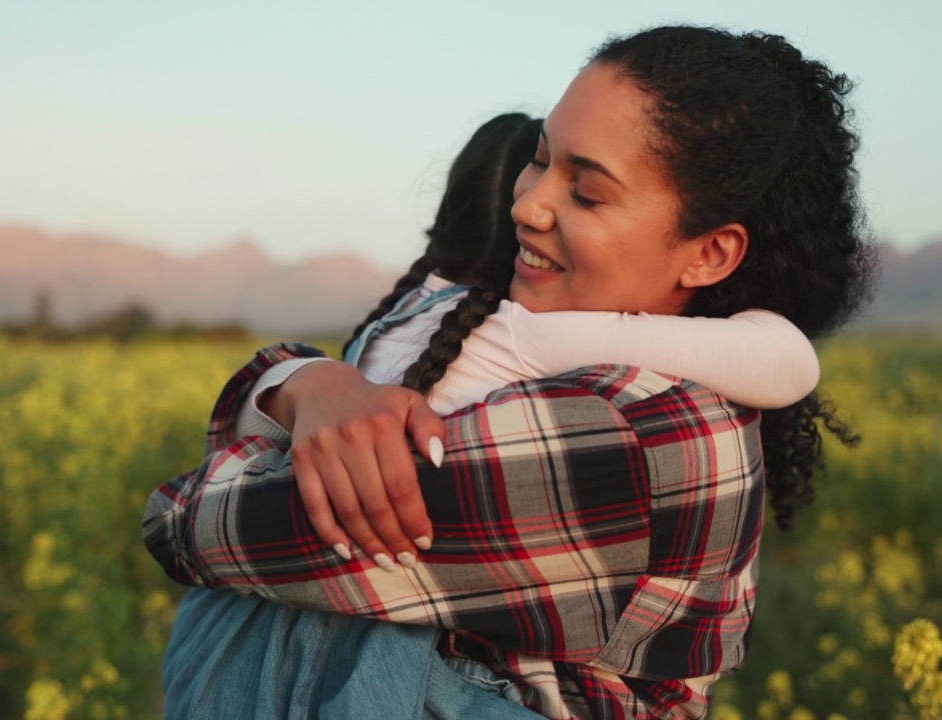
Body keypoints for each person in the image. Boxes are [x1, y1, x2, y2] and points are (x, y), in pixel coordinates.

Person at [146, 25, 874, 719]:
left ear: (709, 253)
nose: (526, 204)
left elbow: (202, 528)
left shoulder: (636, 432)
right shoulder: (520, 335)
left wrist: (284, 410)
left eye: (587, 192)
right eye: (539, 157)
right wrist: (311, 387)